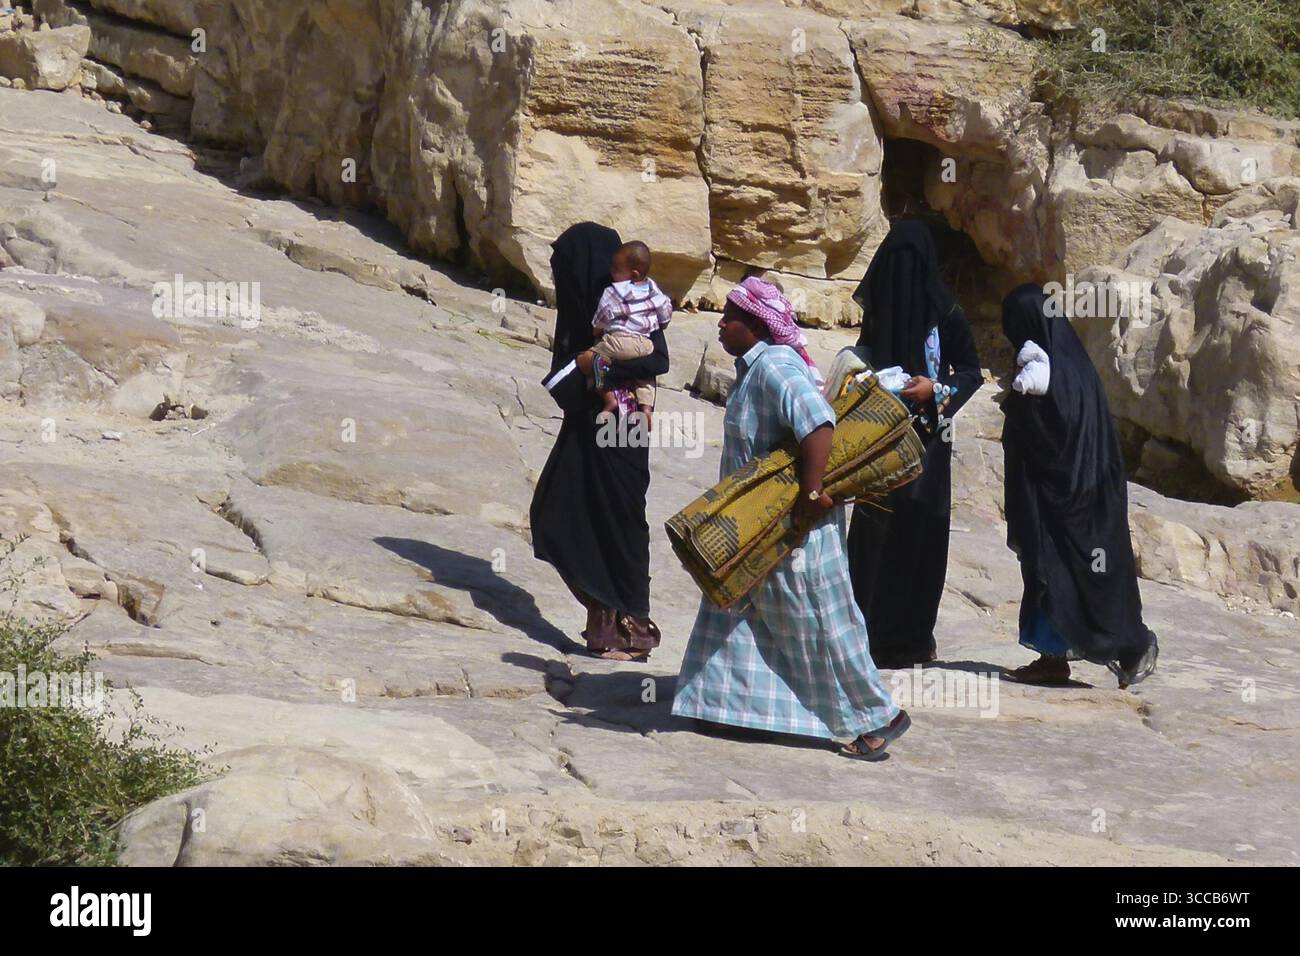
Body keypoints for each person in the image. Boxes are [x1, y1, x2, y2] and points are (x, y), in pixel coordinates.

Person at [671, 277, 911, 761]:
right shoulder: (754, 369)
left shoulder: (777, 369)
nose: (720, 325)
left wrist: (813, 490)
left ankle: (875, 717)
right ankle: (724, 705)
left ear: (756, 326)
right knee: (742, 611)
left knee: (813, 620)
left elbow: (818, 424)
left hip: (793, 523)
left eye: (729, 318)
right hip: (757, 521)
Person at [999, 283, 1159, 688]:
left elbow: (1052, 439)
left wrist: (1018, 407)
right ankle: (1052, 657)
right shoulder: (1073, 365)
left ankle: (1132, 646)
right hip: (1075, 495)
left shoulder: (1055, 371)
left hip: (1071, 499)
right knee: (1048, 573)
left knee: (1084, 574)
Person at [846, 219, 982, 668]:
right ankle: (860, 632)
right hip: (878, 437)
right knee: (872, 533)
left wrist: (936, 392)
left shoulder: (945, 313)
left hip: (929, 439)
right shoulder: (880, 311)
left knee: (918, 532)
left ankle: (907, 639)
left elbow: (970, 372)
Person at [529, 223, 668, 662]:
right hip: (584, 430)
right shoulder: (583, 311)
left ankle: (633, 627)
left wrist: (592, 364)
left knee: (621, 518)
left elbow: (658, 359)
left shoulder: (630, 303)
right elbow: (563, 377)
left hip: (620, 429)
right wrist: (585, 367)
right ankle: (605, 618)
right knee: (556, 515)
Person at [588, 240, 674, 427]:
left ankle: (609, 398)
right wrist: (660, 323)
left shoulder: (614, 290)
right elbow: (666, 311)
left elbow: (603, 314)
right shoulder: (653, 289)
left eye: (615, 269)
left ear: (633, 273)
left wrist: (597, 329)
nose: (611, 272)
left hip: (621, 341)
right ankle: (646, 409)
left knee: (592, 361)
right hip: (646, 343)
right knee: (645, 378)